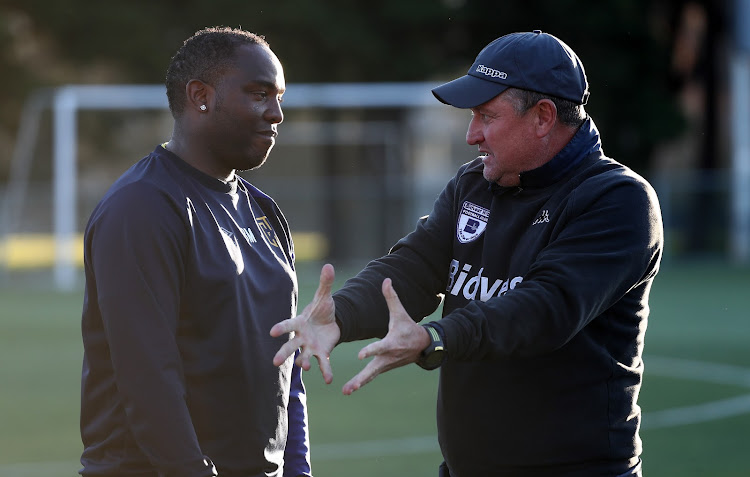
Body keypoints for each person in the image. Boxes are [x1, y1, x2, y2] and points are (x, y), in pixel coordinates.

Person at [271, 30, 663, 476]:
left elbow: (545, 310)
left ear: (543, 117)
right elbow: (413, 268)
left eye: (486, 116)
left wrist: (436, 338)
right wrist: (339, 313)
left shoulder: (618, 199)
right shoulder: (474, 183)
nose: (471, 134)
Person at [80, 27, 312, 477]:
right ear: (200, 95)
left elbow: (287, 369)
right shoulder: (142, 207)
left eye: (279, 97)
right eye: (260, 94)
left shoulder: (264, 211)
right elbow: (148, 378)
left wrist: (296, 469)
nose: (277, 113)